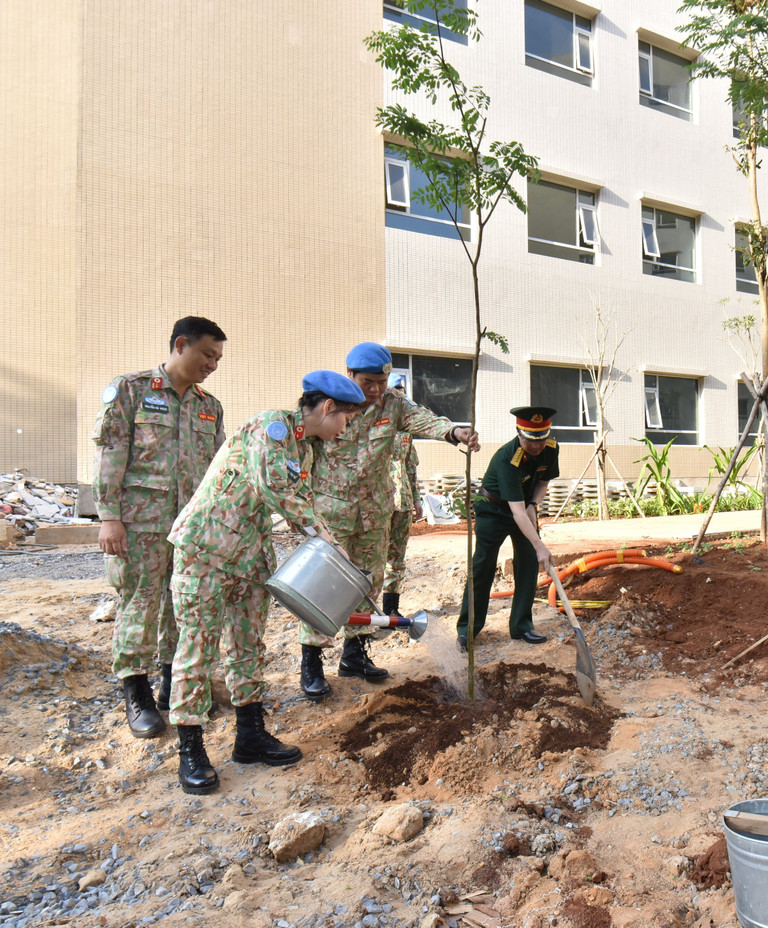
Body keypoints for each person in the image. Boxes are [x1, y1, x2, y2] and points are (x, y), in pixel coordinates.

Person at [166, 371, 364, 795]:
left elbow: (300, 500)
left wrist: (325, 538)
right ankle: (191, 749)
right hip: (206, 549)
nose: (345, 431)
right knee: (198, 647)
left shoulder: (306, 448)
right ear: (328, 408)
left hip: (250, 554)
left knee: (248, 647)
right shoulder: (270, 427)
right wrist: (323, 535)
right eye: (345, 420)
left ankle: (250, 735)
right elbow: (275, 487)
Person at [299, 343, 479, 697]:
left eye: (381, 381)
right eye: (368, 382)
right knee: (322, 586)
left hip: (375, 511)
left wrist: (453, 432)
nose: (376, 389)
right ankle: (312, 663)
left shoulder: (393, 403)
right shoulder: (328, 401)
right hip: (330, 513)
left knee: (367, 582)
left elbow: (422, 418)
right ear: (349, 374)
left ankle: (355, 654)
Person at [92, 316, 227, 740]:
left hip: (189, 527)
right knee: (141, 602)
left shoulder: (210, 406)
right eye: (208, 354)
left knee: (181, 605)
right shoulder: (131, 390)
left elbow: (219, 468)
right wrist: (109, 517)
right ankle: (136, 691)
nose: (213, 364)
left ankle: (173, 684)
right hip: (140, 523)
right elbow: (112, 455)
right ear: (181, 345)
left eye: (218, 358)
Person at [457, 406, 560, 650]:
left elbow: (543, 482)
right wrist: (540, 545)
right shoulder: (507, 457)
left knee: (528, 561)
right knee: (483, 564)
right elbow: (516, 511)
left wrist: (534, 505)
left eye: (542, 439)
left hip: (524, 506)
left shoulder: (551, 449)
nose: (537, 446)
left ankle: (522, 626)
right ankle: (468, 630)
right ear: (518, 433)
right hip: (493, 509)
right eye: (530, 440)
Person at [381, 374, 420, 619]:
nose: (399, 394)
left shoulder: (405, 429)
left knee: (397, 558)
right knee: (372, 559)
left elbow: (410, 466)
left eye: (401, 390)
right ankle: (364, 614)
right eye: (394, 390)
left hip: (403, 500)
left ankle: (390, 608)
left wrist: (417, 498)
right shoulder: (369, 424)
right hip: (379, 501)